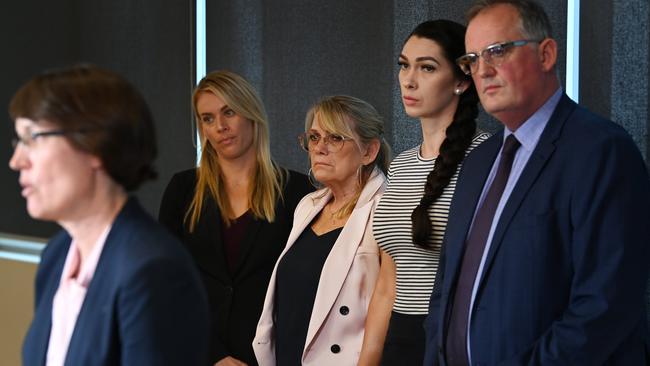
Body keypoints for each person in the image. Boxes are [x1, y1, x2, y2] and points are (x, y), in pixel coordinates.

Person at [423, 1, 650, 365]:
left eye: (497, 51)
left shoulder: (601, 150)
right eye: (473, 59)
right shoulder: (478, 161)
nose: (484, 70)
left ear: (546, 54)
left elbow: (606, 304)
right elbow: (445, 290)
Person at [11, 65, 210, 366]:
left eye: (33, 138)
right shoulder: (57, 255)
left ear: (94, 145)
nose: (17, 161)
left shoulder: (155, 270)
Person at [158, 70, 312, 366]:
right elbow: (167, 284)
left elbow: (303, 289)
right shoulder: (182, 190)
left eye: (229, 112)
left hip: (269, 355)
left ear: (251, 114)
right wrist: (214, 355)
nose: (220, 127)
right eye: (208, 118)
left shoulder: (298, 192)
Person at [359, 20, 489, 366]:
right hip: (399, 338)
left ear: (462, 80)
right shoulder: (400, 165)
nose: (408, 79)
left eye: (427, 67)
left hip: (456, 338)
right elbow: (388, 283)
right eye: (404, 65)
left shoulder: (487, 160)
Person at [252, 95, 390, 365]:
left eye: (335, 138)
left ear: (369, 151)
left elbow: (388, 316)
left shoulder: (387, 209)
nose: (320, 148)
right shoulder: (307, 205)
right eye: (314, 138)